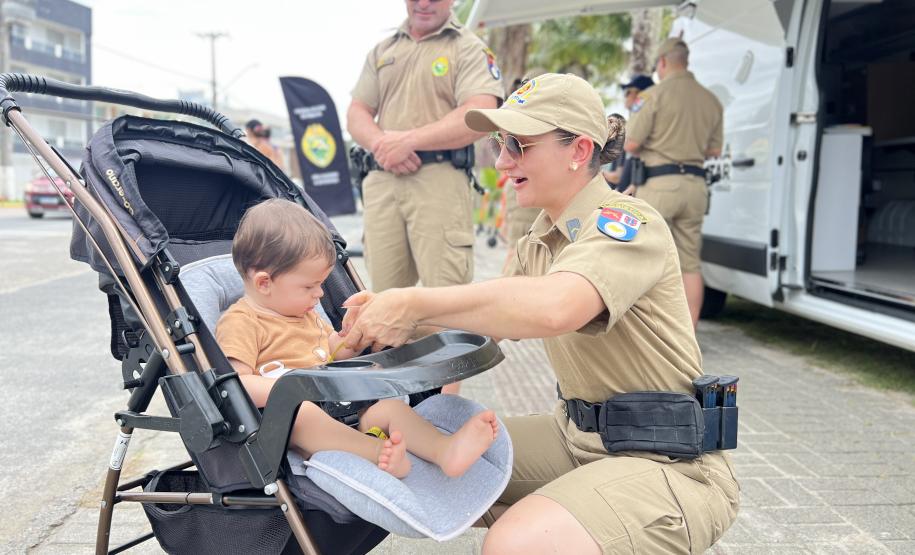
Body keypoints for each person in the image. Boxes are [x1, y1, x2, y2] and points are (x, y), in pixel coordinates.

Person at [339, 74, 738, 554]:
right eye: (500, 143)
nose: (503, 161)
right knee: (418, 459)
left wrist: (415, 301)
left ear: (578, 151)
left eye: (519, 145)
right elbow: (479, 326)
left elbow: (557, 308)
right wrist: (377, 321)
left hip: (669, 462)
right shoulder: (541, 242)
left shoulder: (630, 225)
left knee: (517, 542)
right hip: (577, 439)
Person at [215, 199, 499, 478]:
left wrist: (347, 343)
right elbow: (238, 385)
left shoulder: (306, 314)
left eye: (321, 285)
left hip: (342, 407)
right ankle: (376, 452)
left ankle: (443, 450)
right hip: (290, 420)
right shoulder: (242, 322)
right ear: (265, 282)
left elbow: (332, 357)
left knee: (391, 408)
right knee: (304, 415)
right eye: (309, 286)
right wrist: (293, 387)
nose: (320, 294)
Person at [346, 0, 503, 394]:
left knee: (446, 300)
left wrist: (408, 140)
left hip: (438, 180)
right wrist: (383, 144)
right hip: (382, 181)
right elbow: (357, 111)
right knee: (381, 299)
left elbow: (482, 109)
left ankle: (445, 411)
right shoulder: (383, 51)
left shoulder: (466, 48)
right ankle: (390, 406)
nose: (425, 2)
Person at [624, 38, 724, 328]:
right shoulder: (711, 100)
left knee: (642, 254)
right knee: (690, 262)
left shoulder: (654, 96)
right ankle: (688, 332)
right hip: (695, 186)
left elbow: (631, 143)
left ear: (663, 62)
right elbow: (715, 151)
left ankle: (644, 328)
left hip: (659, 186)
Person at [602, 74, 654, 191]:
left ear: (641, 95)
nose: (626, 96)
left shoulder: (631, 137)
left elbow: (618, 177)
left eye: (628, 92)